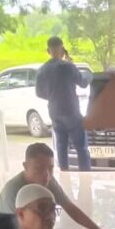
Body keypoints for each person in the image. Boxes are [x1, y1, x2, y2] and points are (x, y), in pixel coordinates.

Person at [0, 142, 114, 229]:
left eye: (50, 168)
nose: (46, 174)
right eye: (39, 168)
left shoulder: (47, 180)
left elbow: (70, 208)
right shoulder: (12, 192)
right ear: (25, 166)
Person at [35, 35, 92, 172]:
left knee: (61, 147)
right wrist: (89, 74)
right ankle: (85, 177)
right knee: (81, 148)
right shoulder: (68, 66)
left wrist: (52, 96)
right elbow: (83, 83)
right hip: (71, 110)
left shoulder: (42, 70)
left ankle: (64, 174)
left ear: (48, 51)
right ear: (62, 49)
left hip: (54, 111)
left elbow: (39, 93)